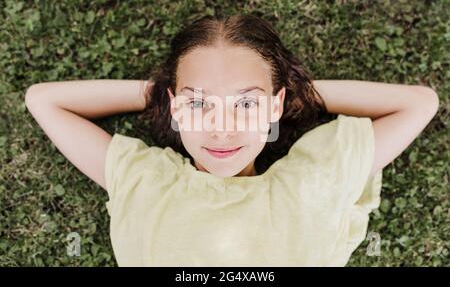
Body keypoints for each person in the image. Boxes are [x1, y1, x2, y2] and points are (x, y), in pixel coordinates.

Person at [25, 14, 439, 266]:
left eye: (246, 106)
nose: (222, 128)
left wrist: (291, 92)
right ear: (175, 107)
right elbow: (44, 100)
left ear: (276, 108)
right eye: (199, 105)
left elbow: (419, 104)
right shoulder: (146, 181)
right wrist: (164, 94)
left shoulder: (317, 180)